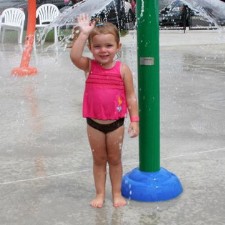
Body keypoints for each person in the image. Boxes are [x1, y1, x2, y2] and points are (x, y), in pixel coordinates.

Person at [70, 14, 139, 208]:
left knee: (115, 160)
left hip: (116, 124)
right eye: (97, 46)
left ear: (118, 47)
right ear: (91, 48)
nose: (103, 50)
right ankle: (100, 193)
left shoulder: (122, 69)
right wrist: (84, 34)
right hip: (94, 124)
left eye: (109, 45)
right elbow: (74, 56)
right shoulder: (89, 66)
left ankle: (116, 193)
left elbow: (131, 96)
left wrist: (134, 120)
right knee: (99, 160)